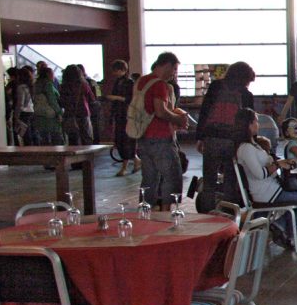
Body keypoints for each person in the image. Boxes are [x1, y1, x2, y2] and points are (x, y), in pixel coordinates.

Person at [234, 108, 297, 248]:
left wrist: (278, 163)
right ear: (248, 124)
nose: (258, 125)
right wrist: (278, 164)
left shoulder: (253, 145)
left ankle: (282, 227)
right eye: (256, 122)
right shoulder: (246, 148)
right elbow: (260, 174)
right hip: (267, 193)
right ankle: (284, 229)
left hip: (272, 188)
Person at [135, 52, 189, 209]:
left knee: (149, 179)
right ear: (168, 65)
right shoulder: (159, 84)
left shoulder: (142, 81)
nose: (174, 74)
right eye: (174, 69)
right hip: (161, 137)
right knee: (172, 176)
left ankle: (146, 212)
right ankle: (165, 214)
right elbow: (160, 111)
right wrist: (178, 119)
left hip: (143, 136)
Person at [196, 61, 255, 196]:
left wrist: (200, 137)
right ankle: (228, 212)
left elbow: (205, 111)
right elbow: (249, 122)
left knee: (209, 181)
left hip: (212, 138)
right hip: (233, 142)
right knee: (231, 180)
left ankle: (207, 213)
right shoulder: (246, 95)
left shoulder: (215, 87)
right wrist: (251, 143)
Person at [106, 60, 138, 175]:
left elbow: (131, 99)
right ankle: (135, 161)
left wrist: (116, 98)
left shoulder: (130, 83)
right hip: (119, 114)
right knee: (120, 140)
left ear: (123, 70)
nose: (115, 73)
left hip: (127, 115)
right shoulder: (118, 82)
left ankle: (125, 166)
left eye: (117, 70)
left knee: (126, 140)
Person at [60, 64, 97, 145]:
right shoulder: (84, 84)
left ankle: (74, 155)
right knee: (86, 136)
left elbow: (62, 102)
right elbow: (92, 98)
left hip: (69, 114)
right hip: (83, 112)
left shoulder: (63, 86)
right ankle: (87, 156)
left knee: (72, 138)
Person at [31, 66, 63, 146]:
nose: (54, 76)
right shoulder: (48, 85)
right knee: (56, 137)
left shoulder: (36, 84)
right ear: (48, 74)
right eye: (52, 73)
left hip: (39, 114)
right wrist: (59, 112)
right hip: (50, 115)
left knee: (44, 138)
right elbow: (52, 100)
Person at [12, 66, 35, 145]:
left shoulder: (21, 88)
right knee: (31, 134)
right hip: (31, 111)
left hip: (23, 113)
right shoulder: (30, 87)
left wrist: (16, 116)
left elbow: (20, 103)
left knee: (24, 135)